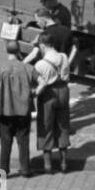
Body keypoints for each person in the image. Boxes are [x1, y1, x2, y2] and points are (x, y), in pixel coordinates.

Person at [0, 40, 36, 178]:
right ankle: (26, 169)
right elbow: (42, 80)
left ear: (6, 50)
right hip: (23, 110)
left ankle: (3, 170)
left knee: (5, 142)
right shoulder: (27, 68)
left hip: (5, 111)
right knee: (23, 141)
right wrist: (34, 93)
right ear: (19, 51)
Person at [32, 31, 72, 174]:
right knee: (63, 125)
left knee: (46, 126)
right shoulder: (64, 56)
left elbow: (36, 83)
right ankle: (63, 163)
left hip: (48, 94)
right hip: (64, 91)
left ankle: (48, 165)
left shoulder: (40, 64)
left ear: (42, 46)